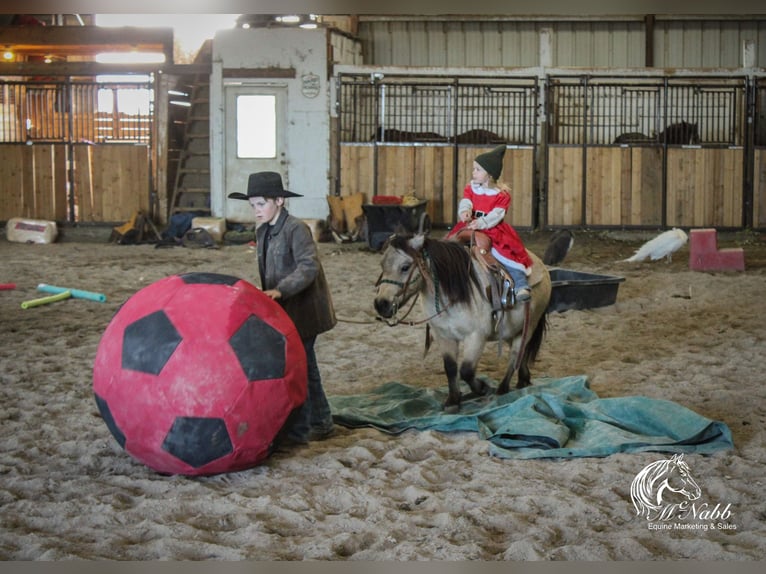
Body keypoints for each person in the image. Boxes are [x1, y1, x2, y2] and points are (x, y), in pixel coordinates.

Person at [228, 171, 337, 445]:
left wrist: (281, 290)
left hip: (305, 310)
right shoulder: (263, 231)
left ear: (279, 201)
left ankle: (319, 423)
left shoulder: (296, 229)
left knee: (305, 366)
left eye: (261, 204)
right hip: (283, 311)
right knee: (297, 366)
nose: (256, 211)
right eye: (252, 205)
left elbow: (308, 266)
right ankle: (308, 421)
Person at [447, 144, 533, 302]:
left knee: (505, 254)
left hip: (492, 228)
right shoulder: (471, 188)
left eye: (478, 170)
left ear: (489, 174)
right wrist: (465, 212)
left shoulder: (501, 195)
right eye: (474, 169)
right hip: (470, 224)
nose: (473, 172)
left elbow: (497, 215)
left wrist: (481, 223)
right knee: (449, 245)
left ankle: (521, 284)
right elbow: (467, 201)